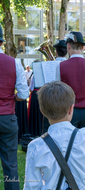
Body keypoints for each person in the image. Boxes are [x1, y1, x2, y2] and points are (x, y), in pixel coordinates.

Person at [0, 25, 29, 190]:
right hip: (7, 118)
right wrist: (11, 98)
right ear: (2, 42)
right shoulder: (14, 63)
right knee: (10, 165)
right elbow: (24, 94)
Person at [56, 31, 85, 129]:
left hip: (68, 112)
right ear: (82, 47)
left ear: (68, 46)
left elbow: (58, 92)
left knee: (68, 142)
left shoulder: (60, 66)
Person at [42, 40, 68, 134]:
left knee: (47, 130)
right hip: (65, 102)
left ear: (56, 52)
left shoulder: (47, 65)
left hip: (49, 100)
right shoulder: (69, 64)